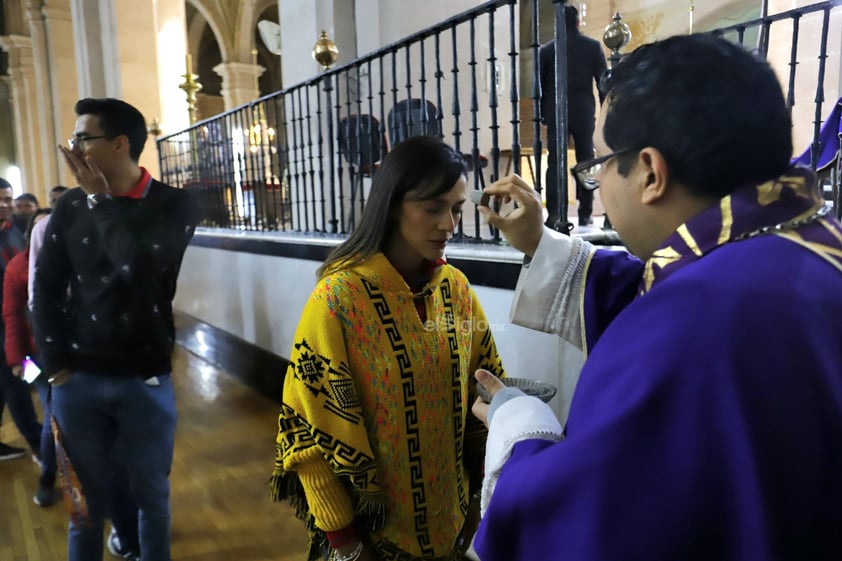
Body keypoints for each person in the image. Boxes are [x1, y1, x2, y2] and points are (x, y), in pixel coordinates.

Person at [471, 34, 842, 561]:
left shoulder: (694, 319)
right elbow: (656, 283)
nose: (596, 182)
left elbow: (586, 518)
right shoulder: (809, 241)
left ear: (649, 171)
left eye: (597, 163)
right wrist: (539, 241)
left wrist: (517, 425)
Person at [270, 135, 506, 561]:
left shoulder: (455, 289)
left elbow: (484, 388)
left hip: (452, 529)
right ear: (393, 204)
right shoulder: (338, 300)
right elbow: (308, 431)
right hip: (370, 540)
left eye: (455, 209)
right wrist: (346, 543)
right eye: (432, 208)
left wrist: (475, 504)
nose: (449, 225)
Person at [31, 97, 198, 561]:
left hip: (144, 376)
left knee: (151, 499)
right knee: (84, 510)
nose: (74, 147)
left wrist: (101, 200)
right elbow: (44, 289)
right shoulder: (68, 206)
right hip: (77, 379)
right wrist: (56, 367)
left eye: (83, 138)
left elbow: (139, 265)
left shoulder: (174, 204)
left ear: (120, 144)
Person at [539, 4, 607, 228]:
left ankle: (554, 214)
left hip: (555, 108)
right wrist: (607, 108)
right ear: (578, 22)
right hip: (583, 109)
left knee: (554, 162)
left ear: (558, 23)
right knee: (586, 159)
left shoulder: (548, 50)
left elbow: (539, 88)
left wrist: (541, 114)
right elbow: (603, 82)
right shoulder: (592, 47)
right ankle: (586, 211)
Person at [0, 177, 41, 463]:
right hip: (3, 329)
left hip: (18, 322)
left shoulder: (17, 229)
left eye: (8, 199)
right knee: (17, 382)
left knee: (13, 382)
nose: (6, 205)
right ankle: (40, 445)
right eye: (1, 200)